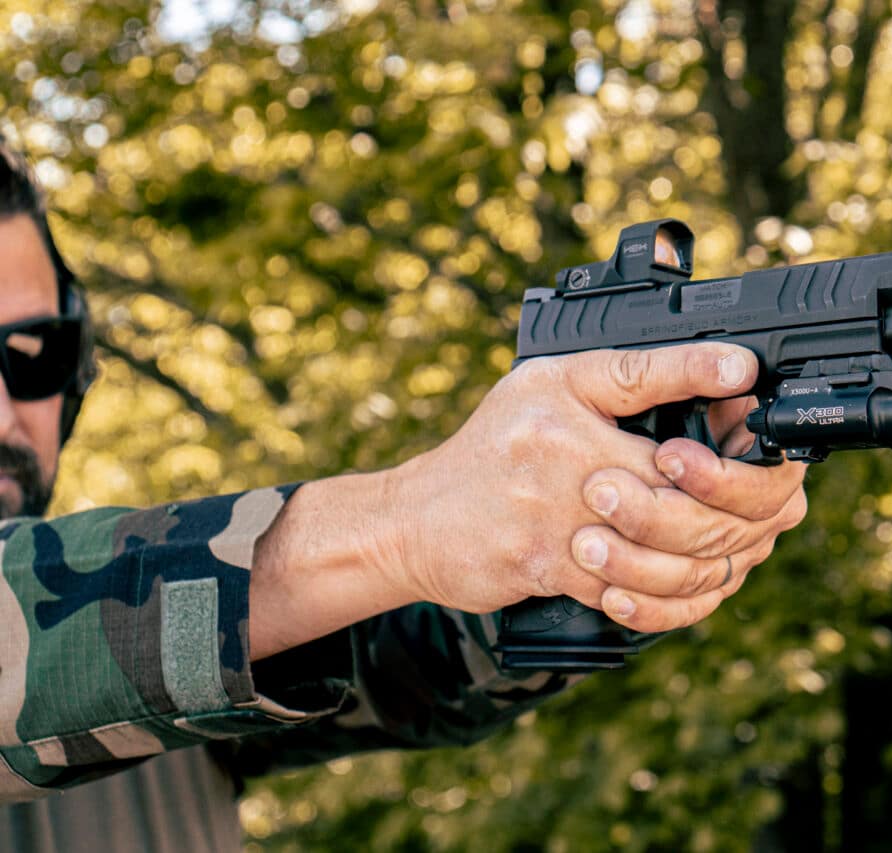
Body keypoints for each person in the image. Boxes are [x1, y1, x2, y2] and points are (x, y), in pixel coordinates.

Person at [0, 142, 807, 850]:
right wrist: (405, 524)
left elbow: (403, 650)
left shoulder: (175, 673)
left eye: (33, 353)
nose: (5, 411)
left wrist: (600, 523)